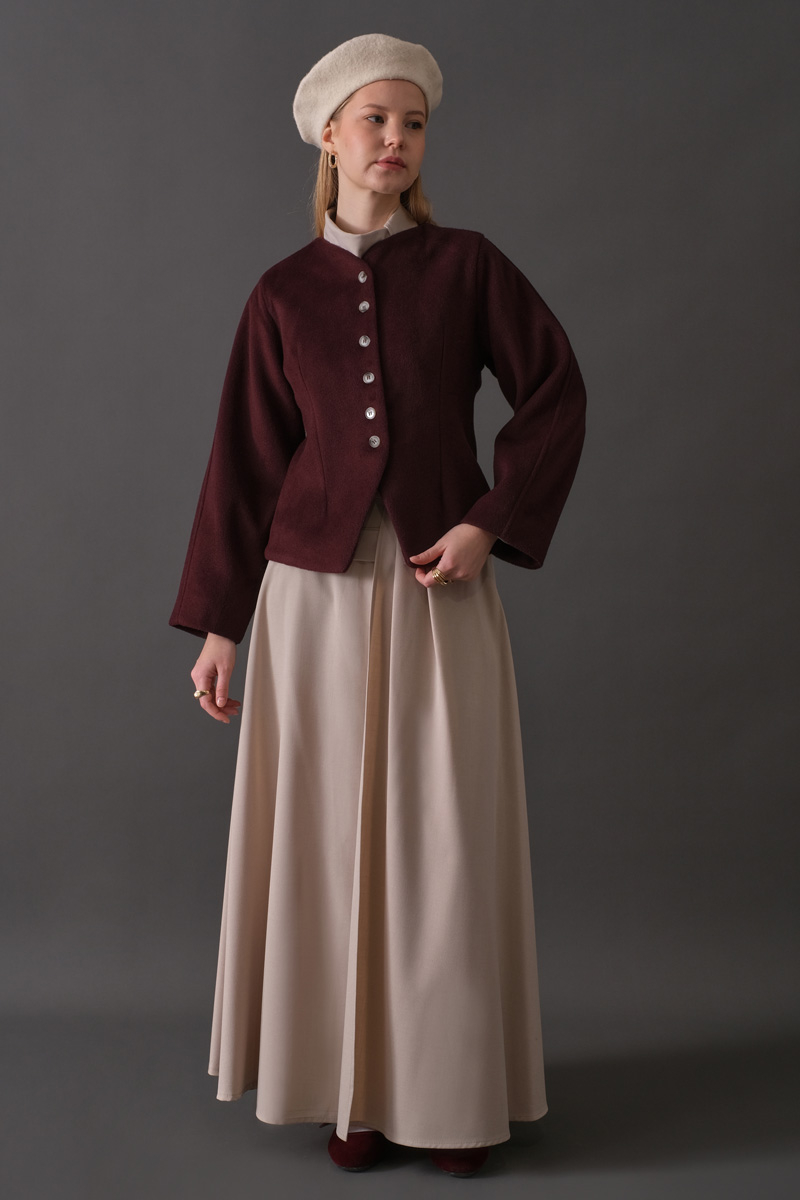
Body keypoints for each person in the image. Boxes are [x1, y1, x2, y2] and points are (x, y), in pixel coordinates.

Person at [168, 32, 586, 1178]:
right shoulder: (280, 293)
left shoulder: (469, 267)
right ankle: (347, 1093)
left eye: (413, 123)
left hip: (437, 583)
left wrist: (487, 520)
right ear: (328, 136)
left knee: (440, 837)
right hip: (309, 603)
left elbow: (553, 392)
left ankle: (450, 1097)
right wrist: (220, 626)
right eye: (374, 119)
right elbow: (243, 464)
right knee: (327, 838)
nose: (395, 139)